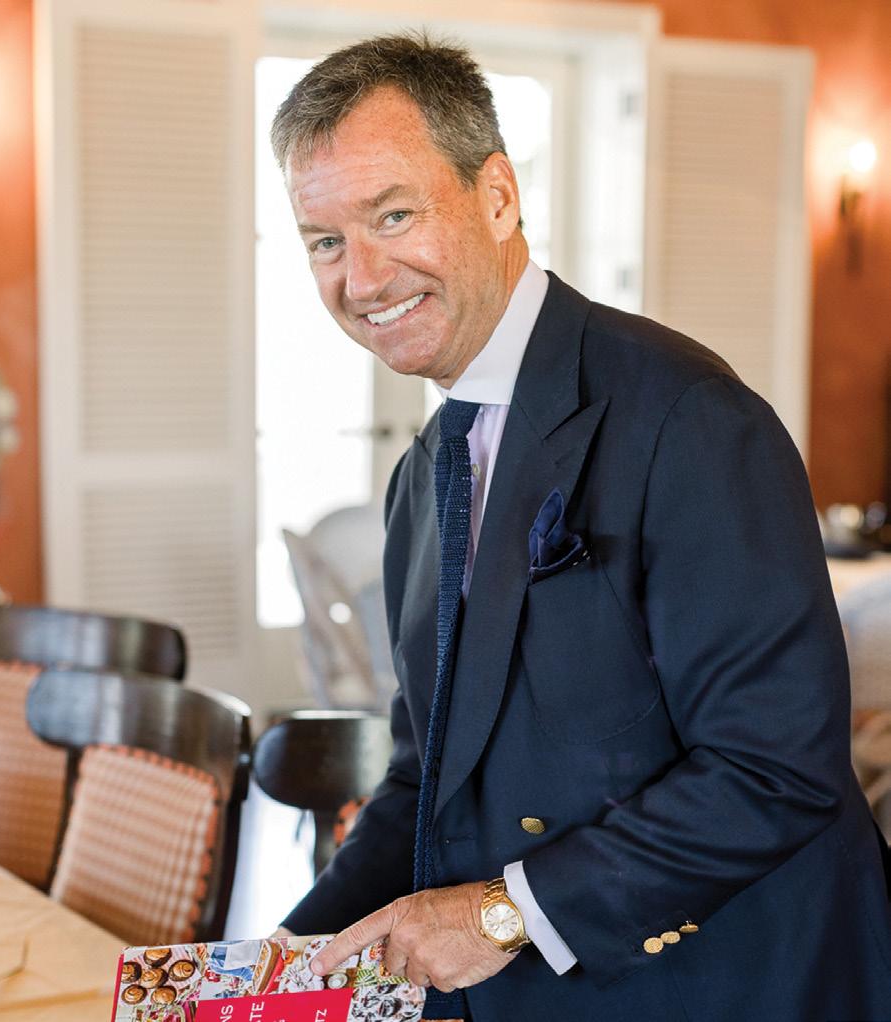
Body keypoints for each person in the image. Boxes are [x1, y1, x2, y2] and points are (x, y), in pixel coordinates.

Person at [269, 32, 891, 1021]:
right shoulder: (418, 481)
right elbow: (424, 778)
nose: (363, 277)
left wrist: (500, 915)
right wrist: (277, 966)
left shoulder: (687, 416)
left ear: (497, 196)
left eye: (393, 215)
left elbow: (772, 768)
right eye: (324, 241)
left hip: (728, 988)